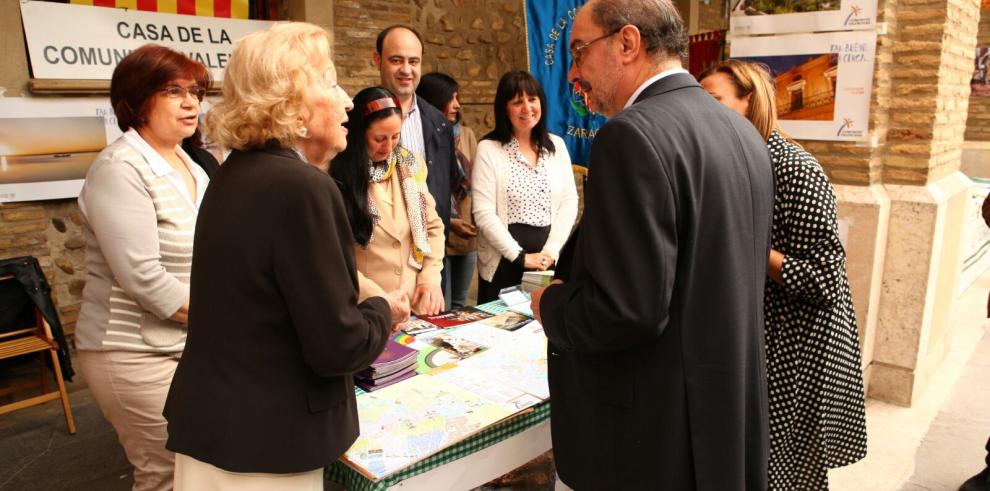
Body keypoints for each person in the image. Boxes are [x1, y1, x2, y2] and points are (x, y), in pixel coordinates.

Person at [529, 0, 775, 488]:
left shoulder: (630, 136)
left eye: (579, 51)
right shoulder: (743, 134)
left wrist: (550, 303)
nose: (573, 74)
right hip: (722, 420)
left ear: (627, 42)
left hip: (651, 437)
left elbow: (627, 310)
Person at [163, 23, 405, 489]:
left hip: (216, 428)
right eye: (331, 83)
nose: (347, 102)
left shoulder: (233, 174)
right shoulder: (303, 188)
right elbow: (338, 345)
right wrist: (381, 310)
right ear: (292, 105)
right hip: (268, 446)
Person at [698, 59, 868, 490]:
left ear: (750, 100)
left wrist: (753, 249)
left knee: (789, 473)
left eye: (715, 100)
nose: (704, 113)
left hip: (800, 351)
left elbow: (826, 281)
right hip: (758, 342)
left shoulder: (795, 169)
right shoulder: (731, 164)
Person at [74, 44, 210, 491]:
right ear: (136, 99)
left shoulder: (193, 165)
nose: (191, 102)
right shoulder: (119, 168)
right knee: (166, 473)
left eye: (195, 91)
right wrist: (235, 318)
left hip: (188, 344)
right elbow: (144, 279)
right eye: (174, 91)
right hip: (132, 352)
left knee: (200, 466)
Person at [331, 86, 446, 316]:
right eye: (379, 139)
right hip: (366, 308)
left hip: (413, 305)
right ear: (358, 134)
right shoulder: (338, 178)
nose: (389, 147)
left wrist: (430, 278)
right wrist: (383, 300)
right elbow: (337, 258)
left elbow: (433, 227)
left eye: (395, 137)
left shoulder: (409, 166)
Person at [473, 70, 578, 304]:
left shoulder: (557, 146)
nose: (527, 108)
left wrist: (550, 252)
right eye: (517, 102)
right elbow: (483, 213)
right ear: (504, 108)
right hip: (504, 262)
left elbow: (570, 201)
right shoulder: (489, 149)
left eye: (532, 99)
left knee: (545, 330)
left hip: (546, 263)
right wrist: (520, 258)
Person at [374, 25, 457, 239]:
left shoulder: (441, 125)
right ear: (377, 60)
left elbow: (442, 191)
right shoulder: (355, 121)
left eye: (413, 61)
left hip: (430, 253)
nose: (406, 70)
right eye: (396, 60)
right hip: (378, 255)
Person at [417, 72, 478, 309]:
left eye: (457, 97)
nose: (457, 105)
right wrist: (450, 220)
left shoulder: (467, 134)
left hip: (466, 235)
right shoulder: (424, 136)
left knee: (461, 305)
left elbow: (473, 183)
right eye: (451, 98)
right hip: (437, 233)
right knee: (441, 306)